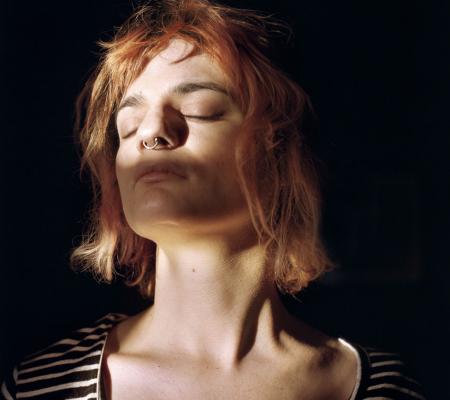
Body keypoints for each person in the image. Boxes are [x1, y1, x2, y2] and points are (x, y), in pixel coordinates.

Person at [1, 0, 425, 399]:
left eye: (200, 109)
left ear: (280, 153)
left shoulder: (380, 387)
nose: (151, 133)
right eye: (128, 125)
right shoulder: (43, 385)